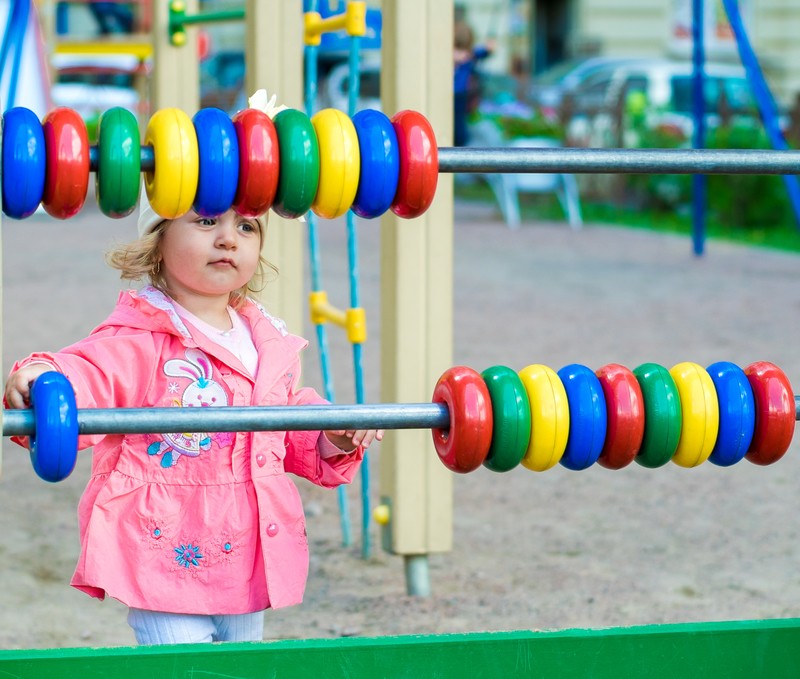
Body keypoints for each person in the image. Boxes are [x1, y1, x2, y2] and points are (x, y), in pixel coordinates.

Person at [4, 192, 383, 645]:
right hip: (164, 545)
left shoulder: (265, 340)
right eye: (206, 222)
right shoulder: (141, 337)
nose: (228, 239)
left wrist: (331, 435)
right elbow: (90, 372)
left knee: (241, 665)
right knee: (181, 667)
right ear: (157, 241)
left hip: (245, 544)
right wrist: (44, 375)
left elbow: (284, 419)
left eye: (246, 227)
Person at [453, 19, 493, 147]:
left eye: (464, 51)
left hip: (461, 96)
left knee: (460, 127)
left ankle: (461, 142)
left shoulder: (469, 59)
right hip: (449, 95)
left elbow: (482, 52)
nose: (461, 56)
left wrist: (489, 48)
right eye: (457, 50)